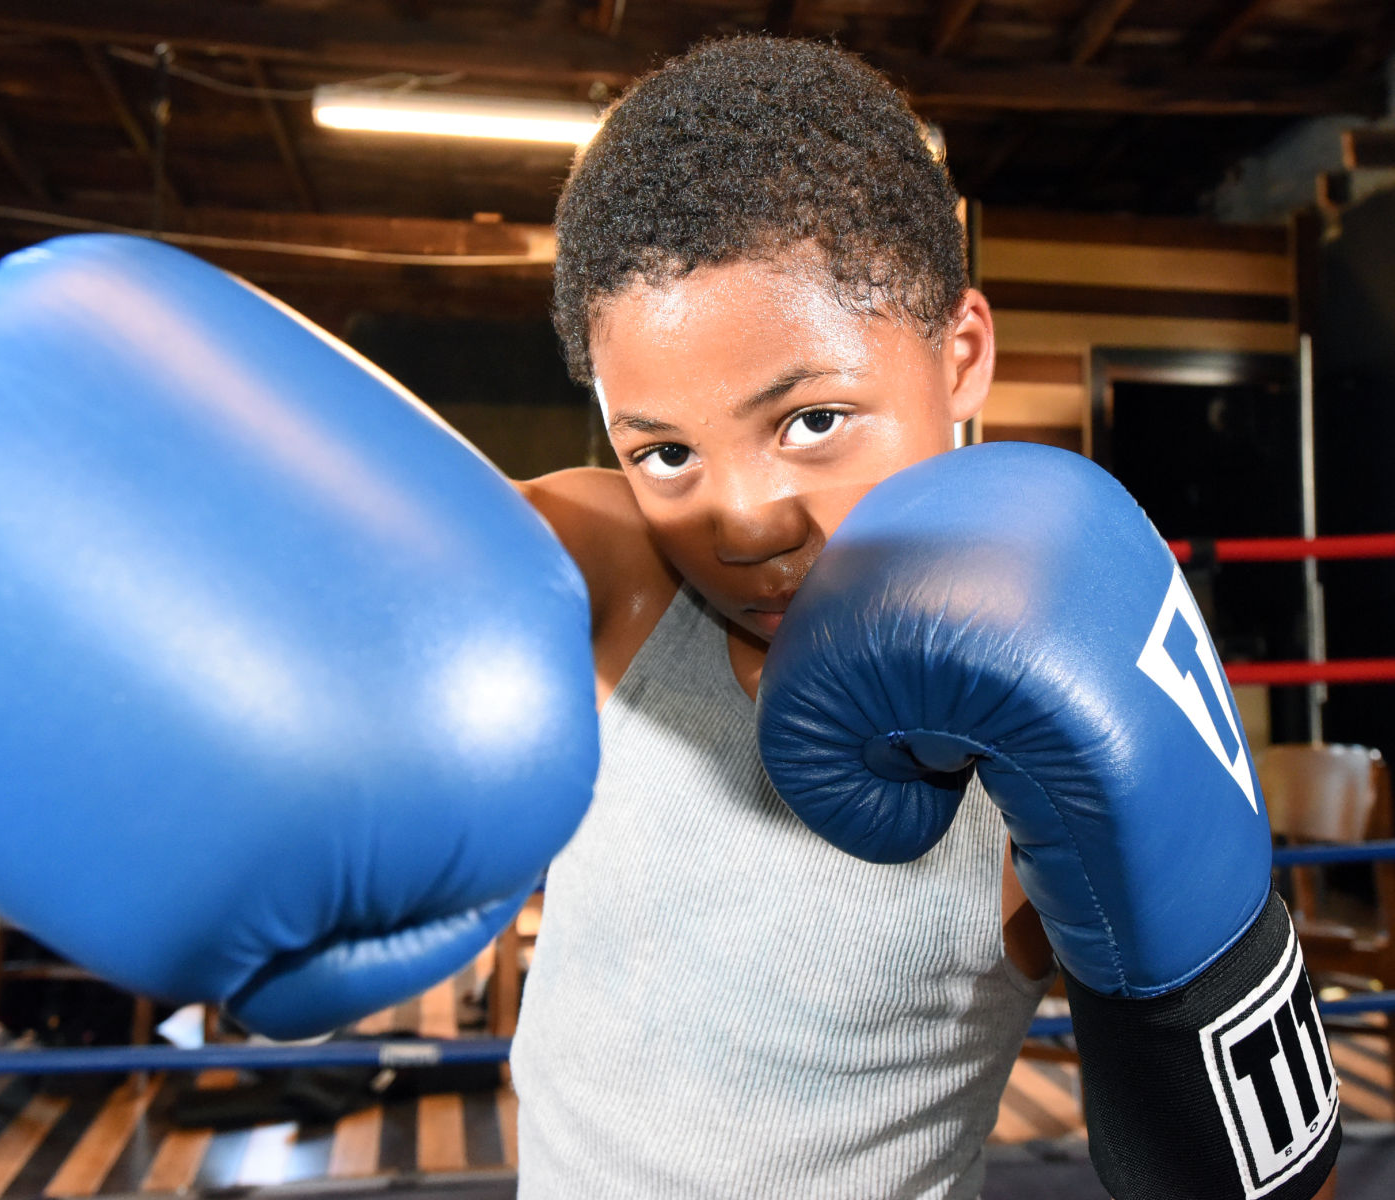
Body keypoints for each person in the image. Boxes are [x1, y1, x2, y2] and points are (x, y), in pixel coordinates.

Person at [508, 36, 1337, 1199]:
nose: (741, 523)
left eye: (810, 421)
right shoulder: (615, 583)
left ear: (960, 356)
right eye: (664, 452)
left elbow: (1256, 1176)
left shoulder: (1045, 734)